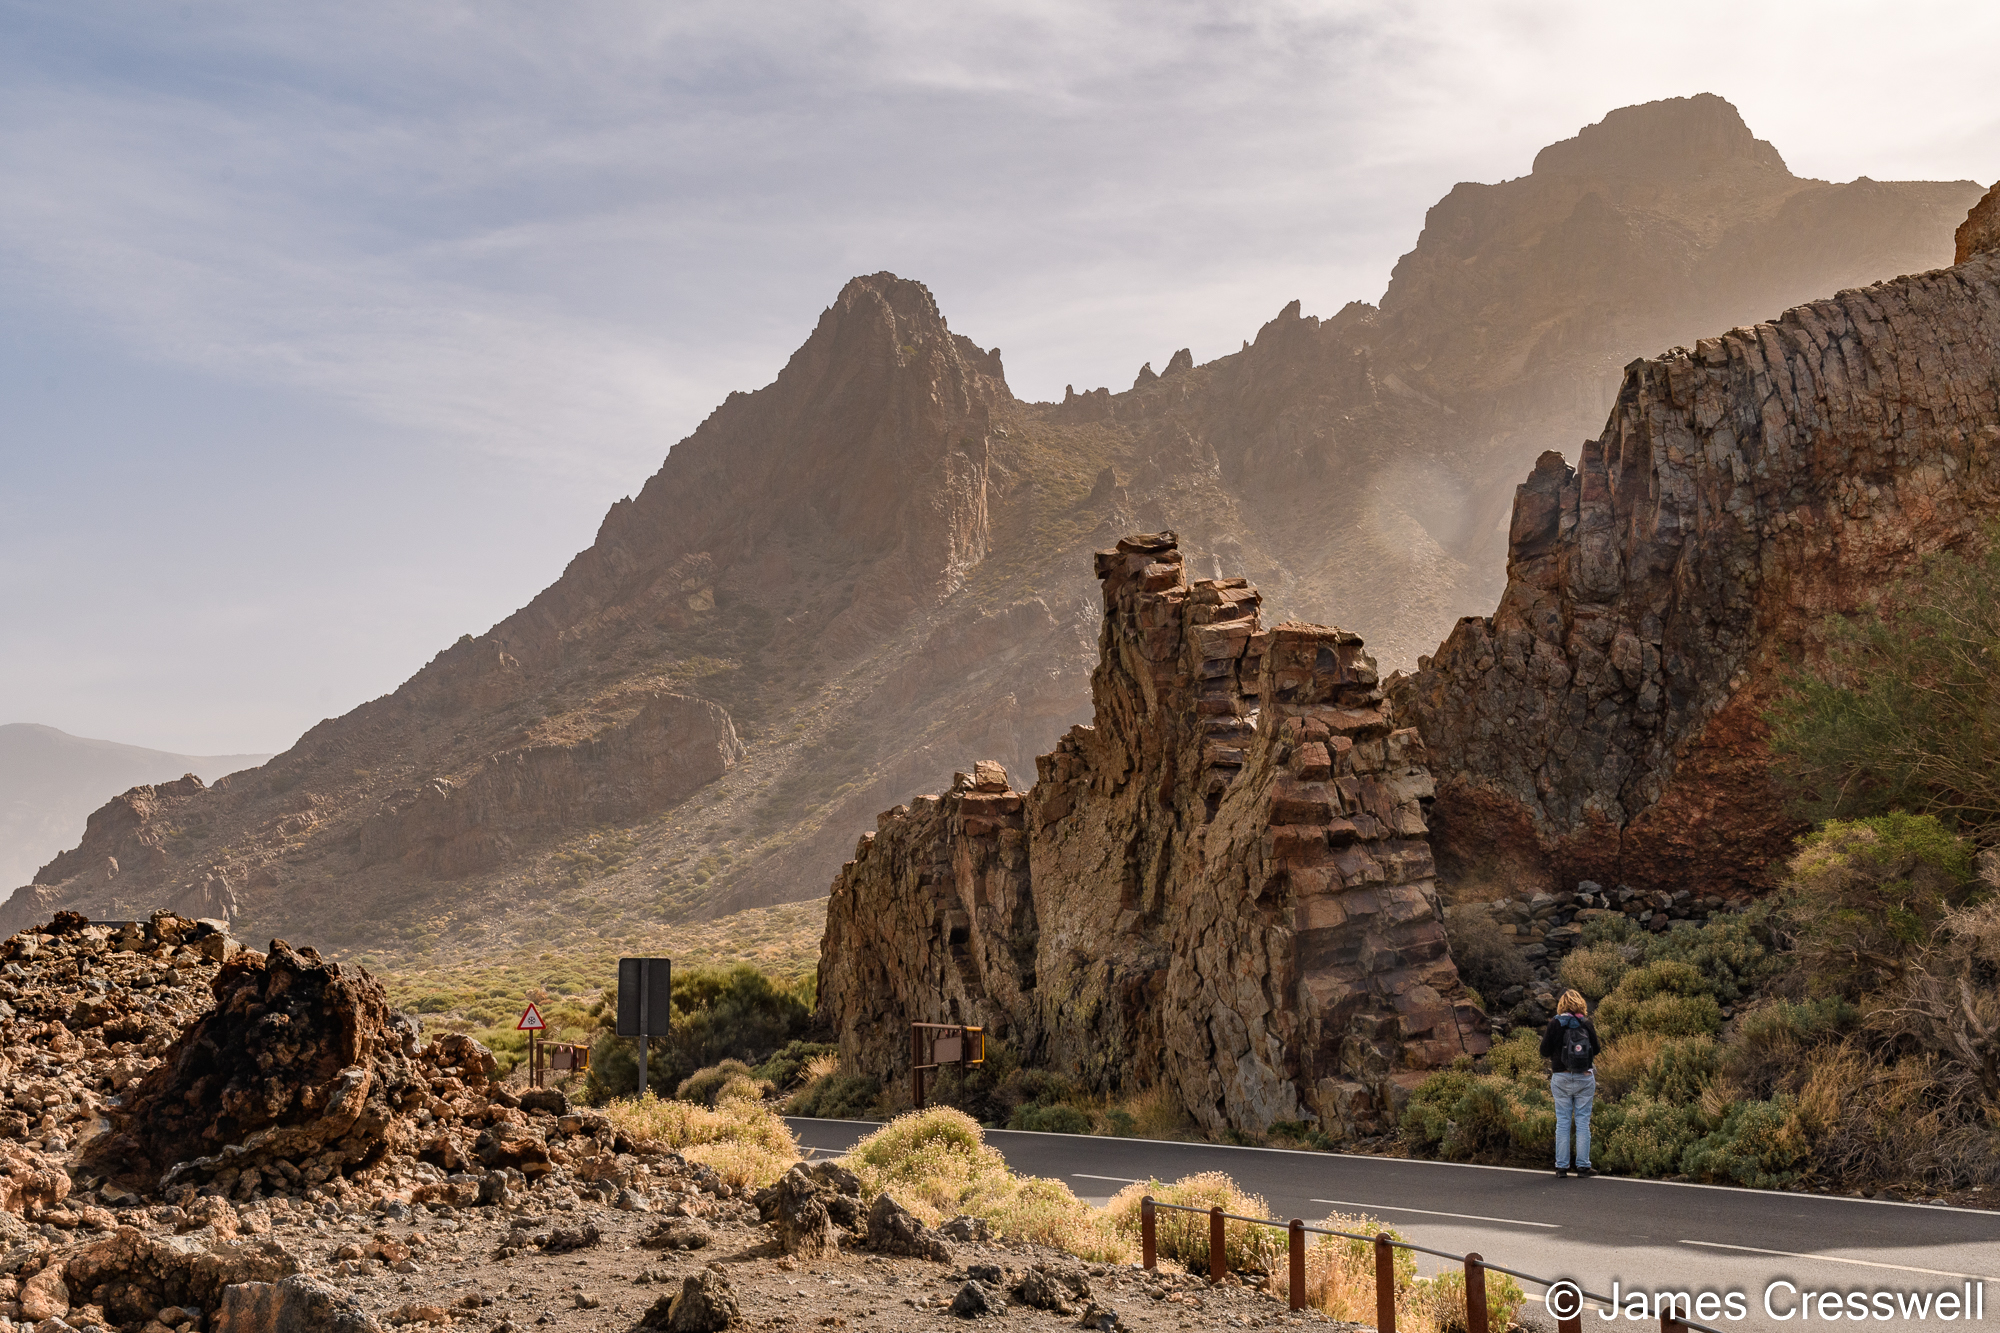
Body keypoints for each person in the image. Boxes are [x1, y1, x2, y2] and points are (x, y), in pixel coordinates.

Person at [1539, 988, 1599, 1178]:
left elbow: (1544, 1050)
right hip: (1584, 1078)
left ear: (1561, 1005)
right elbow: (1596, 1049)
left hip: (1561, 1077)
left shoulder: (1555, 1024)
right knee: (1582, 1122)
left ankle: (1562, 1167)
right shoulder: (1586, 1023)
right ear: (1581, 1003)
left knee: (1563, 1122)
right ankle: (1583, 1166)